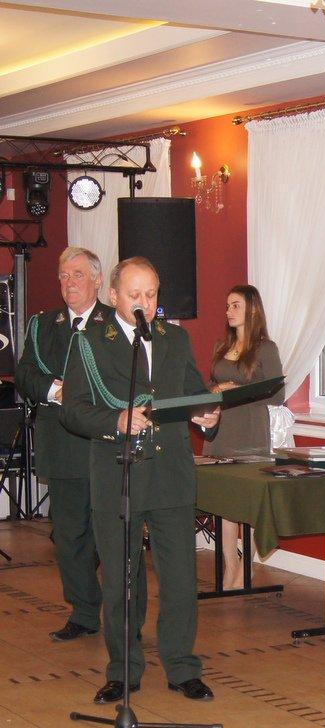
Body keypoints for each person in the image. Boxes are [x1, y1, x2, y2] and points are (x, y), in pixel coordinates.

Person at [62, 256, 220, 704]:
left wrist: (207, 415)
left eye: (151, 295)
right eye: (135, 295)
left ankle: (182, 668)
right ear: (113, 296)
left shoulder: (174, 337)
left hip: (171, 475)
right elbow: (73, 410)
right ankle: (123, 670)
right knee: (121, 581)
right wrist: (115, 420)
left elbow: (194, 393)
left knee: (180, 579)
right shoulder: (89, 342)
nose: (144, 304)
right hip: (119, 475)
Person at [15, 247, 112, 642]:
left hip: (106, 445)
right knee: (70, 537)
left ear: (97, 280)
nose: (69, 282)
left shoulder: (116, 323)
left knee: (110, 537)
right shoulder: (43, 325)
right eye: (64, 275)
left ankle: (123, 619)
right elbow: (25, 373)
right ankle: (84, 613)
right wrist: (56, 389)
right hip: (61, 445)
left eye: (78, 274)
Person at [203, 285, 284, 589]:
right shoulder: (222, 347)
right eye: (227, 306)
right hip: (221, 431)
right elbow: (210, 386)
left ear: (252, 309)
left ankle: (246, 568)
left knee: (247, 503)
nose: (229, 311)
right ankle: (230, 565)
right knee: (225, 504)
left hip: (250, 432)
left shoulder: (266, 348)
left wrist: (236, 390)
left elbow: (277, 395)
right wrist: (215, 390)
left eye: (235, 305)